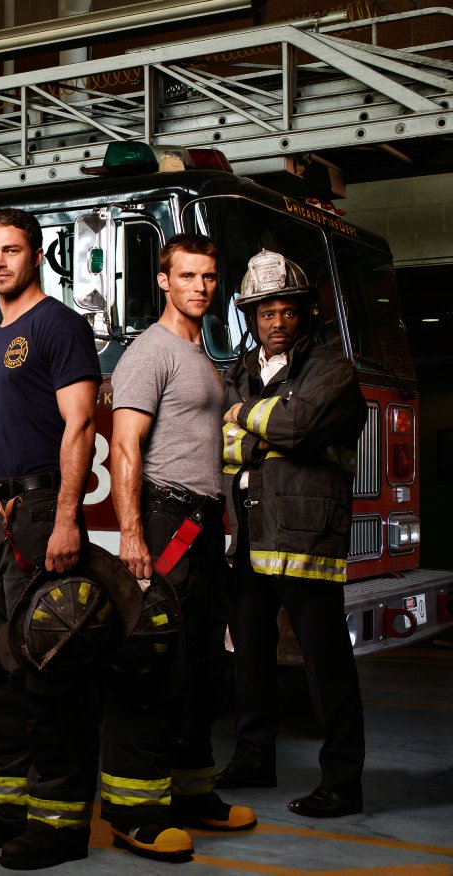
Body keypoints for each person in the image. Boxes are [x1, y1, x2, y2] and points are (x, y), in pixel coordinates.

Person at [0, 208, 102, 870]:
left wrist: (65, 516)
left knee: (46, 664)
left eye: (11, 250)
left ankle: (59, 823)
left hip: (36, 513)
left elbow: (81, 424)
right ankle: (3, 806)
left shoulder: (58, 326)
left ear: (36, 255)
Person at [108, 234, 256, 862]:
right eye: (187, 275)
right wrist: (134, 536)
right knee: (153, 662)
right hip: (166, 523)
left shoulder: (203, 355)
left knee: (200, 666)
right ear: (163, 281)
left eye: (209, 276)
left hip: (205, 525)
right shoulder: (151, 351)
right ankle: (134, 808)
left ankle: (193, 792)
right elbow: (124, 448)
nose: (200, 286)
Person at [215, 249, 367, 818]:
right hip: (250, 536)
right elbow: (226, 441)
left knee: (326, 666)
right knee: (248, 658)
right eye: (265, 313)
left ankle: (342, 783)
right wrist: (263, 425)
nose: (276, 323)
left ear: (305, 315)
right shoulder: (240, 372)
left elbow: (299, 427)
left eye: (287, 312)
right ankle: (255, 760)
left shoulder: (333, 371)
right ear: (251, 318)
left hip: (305, 537)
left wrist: (245, 421)